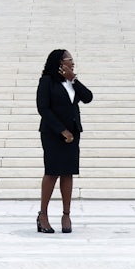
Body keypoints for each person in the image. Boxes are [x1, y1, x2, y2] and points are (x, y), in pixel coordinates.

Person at [36, 48, 93, 234]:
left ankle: (66, 215)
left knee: (68, 173)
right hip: (52, 133)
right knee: (52, 172)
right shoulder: (46, 81)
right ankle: (43, 215)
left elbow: (88, 97)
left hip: (73, 133)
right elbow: (43, 108)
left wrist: (73, 79)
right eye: (70, 59)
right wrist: (62, 130)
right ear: (60, 62)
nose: (73, 62)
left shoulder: (71, 82)